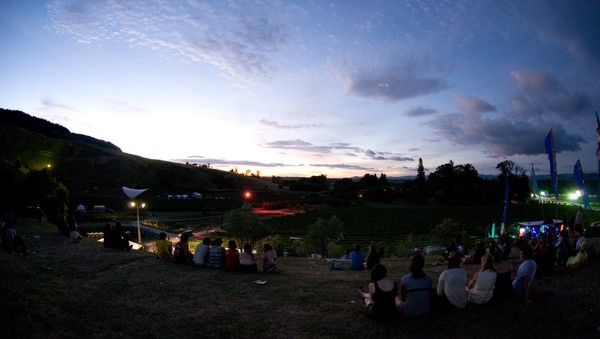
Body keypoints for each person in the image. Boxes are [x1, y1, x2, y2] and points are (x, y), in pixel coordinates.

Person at [397, 254, 432, 318]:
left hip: (409, 312)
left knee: (396, 299)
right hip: (425, 310)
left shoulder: (405, 280)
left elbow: (403, 299)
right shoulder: (429, 279)